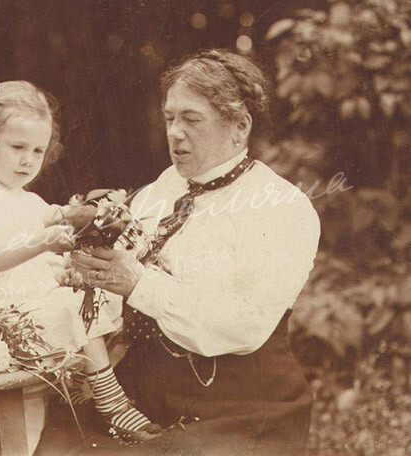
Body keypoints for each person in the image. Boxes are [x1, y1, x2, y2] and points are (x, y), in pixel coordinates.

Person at [51, 50, 321, 456]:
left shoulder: (281, 206)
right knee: (51, 442)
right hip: (144, 394)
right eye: (169, 118)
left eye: (192, 119)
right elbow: (113, 288)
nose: (175, 132)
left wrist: (138, 283)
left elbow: (245, 326)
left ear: (239, 127)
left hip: (238, 406)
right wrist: (87, 272)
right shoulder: (162, 189)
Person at [0, 80, 161, 454]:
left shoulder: (30, 203)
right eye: (17, 147)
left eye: (38, 151)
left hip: (6, 303)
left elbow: (41, 266)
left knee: (91, 295)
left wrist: (68, 267)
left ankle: (85, 386)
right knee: (64, 307)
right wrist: (43, 242)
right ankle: (110, 400)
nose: (27, 160)